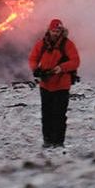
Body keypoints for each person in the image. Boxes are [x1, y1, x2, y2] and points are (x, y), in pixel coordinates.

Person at [29, 19, 80, 148]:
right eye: (54, 30)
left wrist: (61, 68)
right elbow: (33, 58)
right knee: (46, 114)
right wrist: (36, 69)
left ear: (61, 31)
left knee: (59, 114)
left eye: (58, 31)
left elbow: (75, 61)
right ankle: (48, 141)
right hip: (46, 84)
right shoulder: (42, 44)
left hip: (62, 84)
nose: (56, 33)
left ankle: (58, 142)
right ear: (49, 30)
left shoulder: (67, 45)